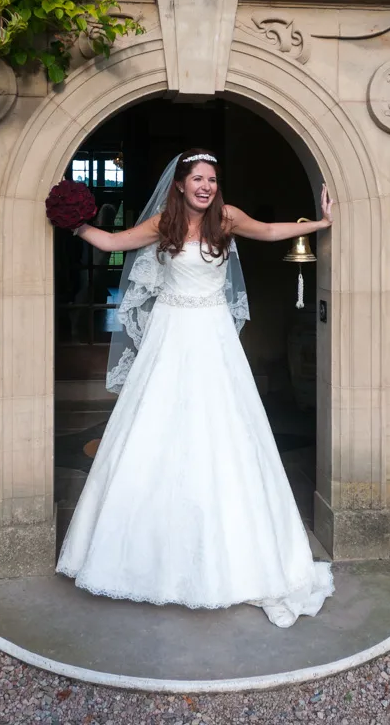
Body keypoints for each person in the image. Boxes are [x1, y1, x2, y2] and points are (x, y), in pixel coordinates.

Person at [56, 149, 335, 628]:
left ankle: (234, 558)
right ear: (181, 183)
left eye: (211, 179)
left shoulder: (226, 219)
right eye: (198, 179)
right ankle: (147, 560)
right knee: (156, 432)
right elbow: (112, 241)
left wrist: (321, 224)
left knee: (221, 432)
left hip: (212, 337)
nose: (205, 186)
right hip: (169, 335)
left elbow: (269, 232)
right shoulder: (162, 222)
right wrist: (74, 220)